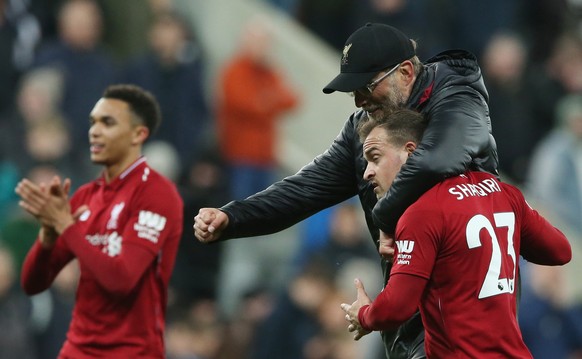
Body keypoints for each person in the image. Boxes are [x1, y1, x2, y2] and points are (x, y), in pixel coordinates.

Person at [194, 22, 498, 358]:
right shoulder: (365, 129)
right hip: (412, 312)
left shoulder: (458, 99)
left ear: (407, 72)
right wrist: (233, 215)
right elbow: (306, 188)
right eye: (352, 90)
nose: (358, 99)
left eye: (366, 85)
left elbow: (437, 161)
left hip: (469, 304)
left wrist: (385, 217)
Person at [340, 109, 572, 358]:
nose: (367, 172)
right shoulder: (504, 193)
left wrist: (364, 315)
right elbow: (560, 250)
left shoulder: (423, 213)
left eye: (375, 158)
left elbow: (397, 307)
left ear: (410, 152)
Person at [16, 84, 184, 358]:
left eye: (108, 123)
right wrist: (47, 236)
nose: (94, 131)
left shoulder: (157, 194)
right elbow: (33, 283)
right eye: (93, 122)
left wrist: (66, 228)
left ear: (137, 134)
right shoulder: (85, 196)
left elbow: (122, 280)